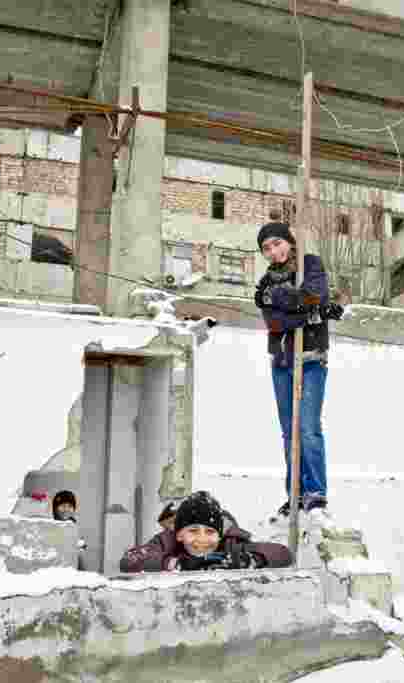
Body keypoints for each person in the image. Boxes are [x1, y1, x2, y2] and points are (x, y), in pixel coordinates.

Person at [253, 221, 342, 520]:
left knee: (308, 428)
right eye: (267, 248)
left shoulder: (310, 265)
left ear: (289, 241)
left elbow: (313, 297)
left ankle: (315, 493)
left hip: (312, 358)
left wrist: (286, 301)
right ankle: (295, 493)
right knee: (289, 432)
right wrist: (305, 314)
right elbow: (275, 323)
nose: (274, 252)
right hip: (281, 361)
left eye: (277, 244)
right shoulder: (266, 280)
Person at [119, 491, 292, 573]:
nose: (202, 538)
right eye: (193, 530)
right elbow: (130, 560)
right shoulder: (167, 541)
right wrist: (176, 564)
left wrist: (248, 560)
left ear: (220, 534)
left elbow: (283, 553)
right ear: (179, 534)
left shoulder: (232, 544)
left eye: (210, 531)